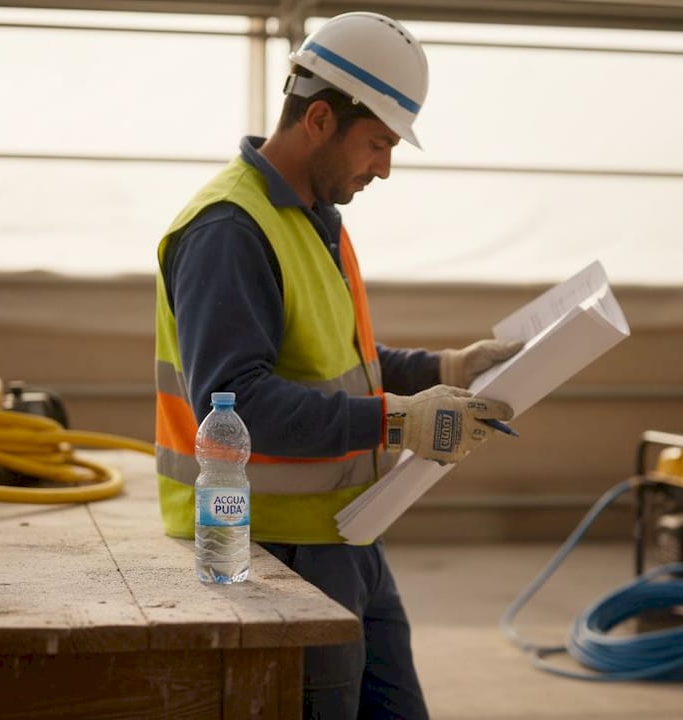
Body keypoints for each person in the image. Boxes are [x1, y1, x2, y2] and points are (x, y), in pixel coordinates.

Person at [154, 11, 521, 719]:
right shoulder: (229, 230)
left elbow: (336, 361)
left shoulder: (313, 214)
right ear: (319, 119)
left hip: (345, 537)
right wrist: (399, 422)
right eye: (379, 142)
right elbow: (239, 405)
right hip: (271, 552)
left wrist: (447, 365)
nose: (385, 166)